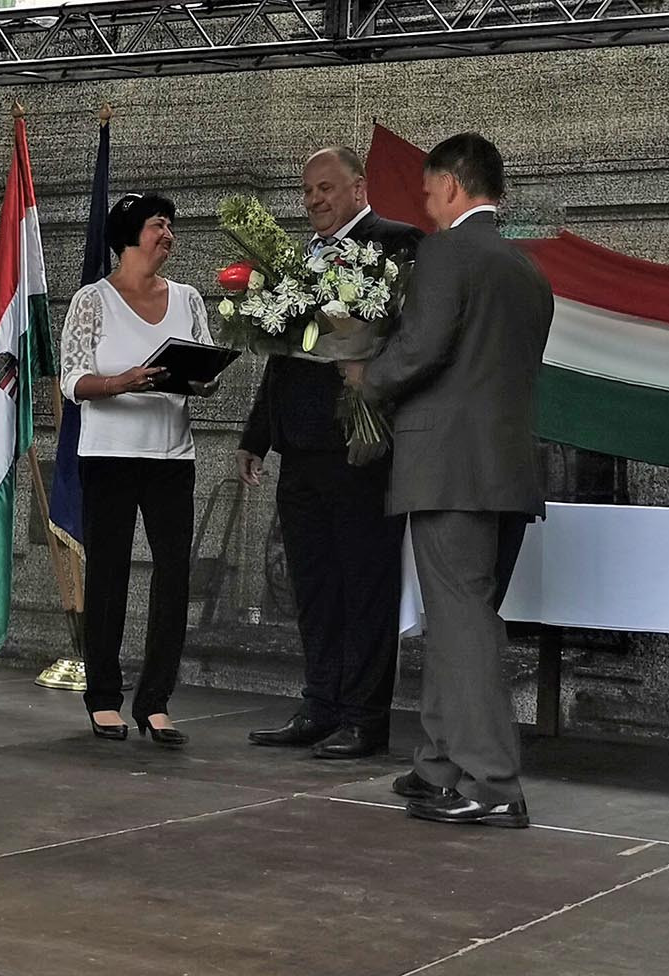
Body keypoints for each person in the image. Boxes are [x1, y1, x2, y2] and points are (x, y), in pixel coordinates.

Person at [340, 132, 553, 828]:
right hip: (506, 469)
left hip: (449, 469)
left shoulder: (445, 252)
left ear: (454, 187)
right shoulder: (527, 270)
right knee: (460, 617)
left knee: (463, 624)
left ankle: (494, 782)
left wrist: (366, 376)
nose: (426, 206)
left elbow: (423, 348)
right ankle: (437, 768)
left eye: (430, 192)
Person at [243, 147, 424, 759]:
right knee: (314, 586)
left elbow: (408, 339)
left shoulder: (397, 243)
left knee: (365, 584)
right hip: (299, 449)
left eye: (326, 188)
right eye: (307, 191)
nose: (315, 200)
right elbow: (282, 357)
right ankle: (319, 705)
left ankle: (364, 718)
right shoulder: (297, 259)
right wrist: (256, 436)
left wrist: (367, 374)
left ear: (358, 188)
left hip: (359, 446)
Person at [59, 192, 220, 748]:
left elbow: (201, 369)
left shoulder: (188, 298)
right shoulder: (92, 300)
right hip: (108, 456)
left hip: (172, 456)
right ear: (129, 236)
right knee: (109, 575)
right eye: (158, 225)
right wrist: (120, 382)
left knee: (174, 575)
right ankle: (103, 696)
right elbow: (71, 381)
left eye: (170, 225)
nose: (168, 234)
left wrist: (204, 378)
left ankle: (156, 701)